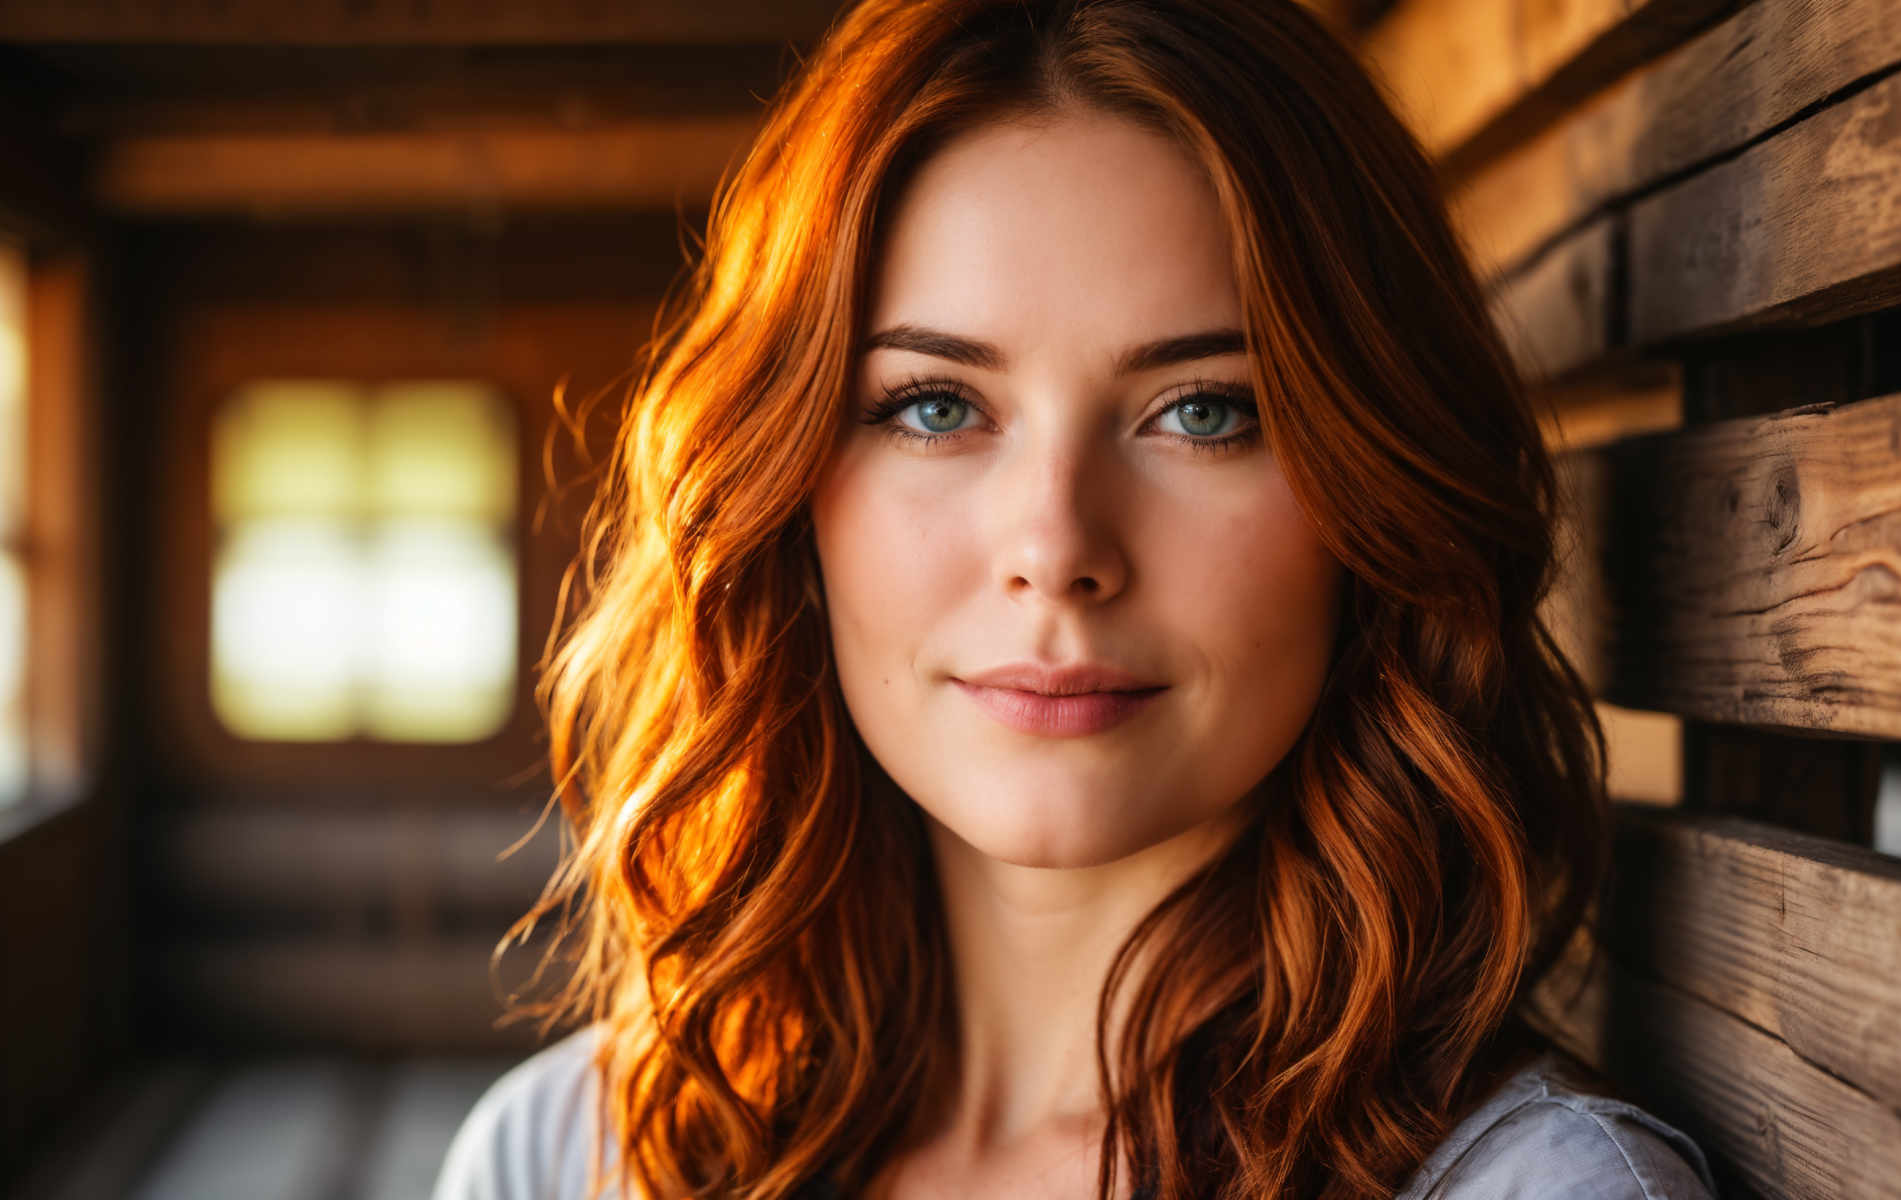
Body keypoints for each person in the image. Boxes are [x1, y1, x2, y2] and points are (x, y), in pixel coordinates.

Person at [434, 0, 1720, 1196]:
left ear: (1369, 496)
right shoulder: (568, 1158)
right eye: (933, 408)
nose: (1055, 546)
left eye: (1201, 411)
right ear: (788, 493)